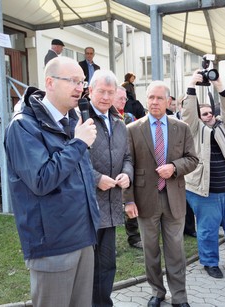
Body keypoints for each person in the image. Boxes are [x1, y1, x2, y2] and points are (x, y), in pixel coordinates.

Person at [4, 57, 99, 306]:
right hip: (53, 246)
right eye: (73, 81)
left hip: (83, 237)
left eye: (82, 81)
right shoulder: (24, 126)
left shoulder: (69, 122)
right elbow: (42, 179)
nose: (80, 88)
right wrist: (78, 143)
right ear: (50, 82)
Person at [123, 80, 198, 307]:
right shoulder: (133, 130)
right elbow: (127, 165)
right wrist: (128, 200)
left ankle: (180, 297)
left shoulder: (181, 128)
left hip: (173, 198)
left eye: (159, 98)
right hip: (146, 200)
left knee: (176, 251)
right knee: (151, 251)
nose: (154, 102)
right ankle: (157, 292)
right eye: (151, 98)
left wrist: (174, 167)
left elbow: (193, 159)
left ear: (168, 101)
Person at [183, 70, 225, 279]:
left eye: (210, 112)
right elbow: (188, 114)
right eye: (203, 113)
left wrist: (219, 85)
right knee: (208, 231)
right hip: (206, 193)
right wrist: (192, 85)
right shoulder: (193, 130)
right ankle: (210, 263)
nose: (208, 115)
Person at [87, 70, 133, 307]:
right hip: (88, 207)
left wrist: (127, 174)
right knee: (88, 268)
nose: (106, 97)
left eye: (110, 92)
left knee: (108, 264)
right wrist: (96, 179)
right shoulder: (80, 120)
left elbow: (127, 156)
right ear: (90, 91)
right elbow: (74, 160)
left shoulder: (119, 123)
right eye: (101, 91)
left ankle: (104, 304)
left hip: (112, 205)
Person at [112, 86, 142, 249]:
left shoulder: (129, 117)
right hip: (109, 166)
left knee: (130, 198)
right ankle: (108, 244)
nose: (124, 101)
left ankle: (134, 236)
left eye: (125, 99)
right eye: (120, 98)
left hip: (128, 164)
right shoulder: (105, 116)